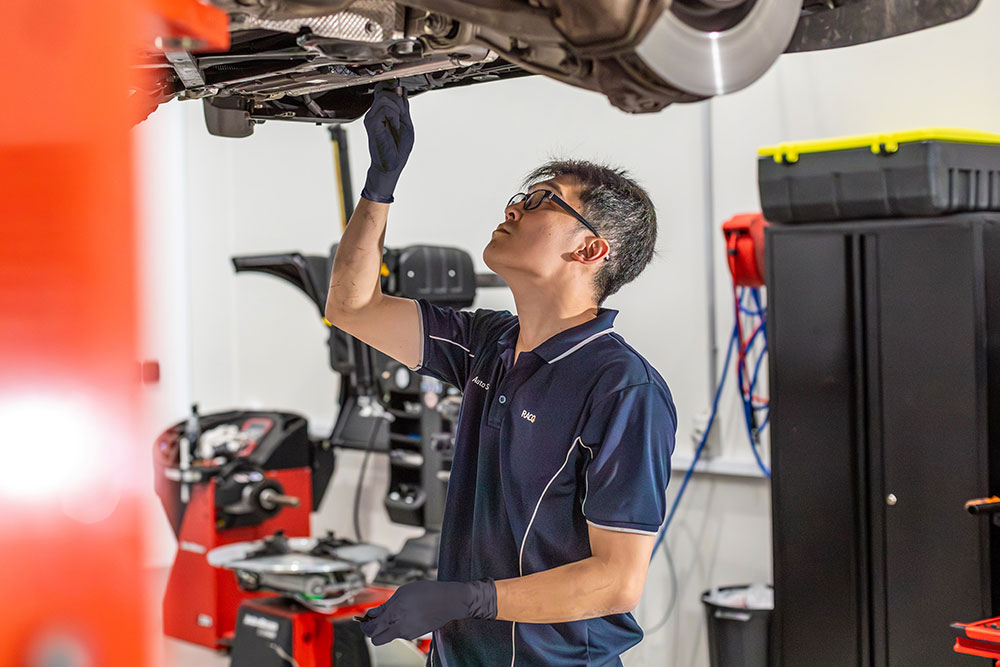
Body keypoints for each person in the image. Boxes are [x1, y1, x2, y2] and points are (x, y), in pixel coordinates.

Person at [325, 82, 676, 666]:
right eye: (521, 197)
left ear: (590, 250)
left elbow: (617, 580)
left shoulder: (623, 389)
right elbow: (351, 307)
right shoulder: (488, 342)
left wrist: (470, 598)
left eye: (541, 202)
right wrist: (379, 185)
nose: (512, 208)